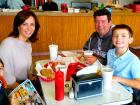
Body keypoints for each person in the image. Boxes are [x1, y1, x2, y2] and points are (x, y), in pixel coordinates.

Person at [0, 10, 40, 90]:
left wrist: (31, 78)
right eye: (24, 24)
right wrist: (29, 90)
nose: (29, 28)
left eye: (32, 24)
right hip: (10, 89)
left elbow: (27, 70)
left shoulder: (27, 43)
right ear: (18, 26)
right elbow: (7, 81)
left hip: (24, 83)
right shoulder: (7, 45)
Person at [107, 24, 140, 104]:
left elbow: (139, 84)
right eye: (115, 35)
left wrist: (117, 78)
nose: (119, 38)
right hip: (109, 88)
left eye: (123, 36)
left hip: (124, 95)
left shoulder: (134, 60)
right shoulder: (110, 52)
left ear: (130, 40)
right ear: (112, 38)